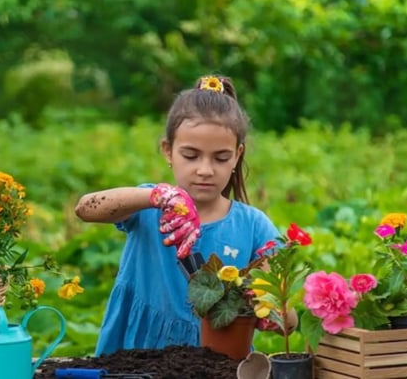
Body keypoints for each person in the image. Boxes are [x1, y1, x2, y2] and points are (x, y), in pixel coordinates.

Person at [75, 75, 280, 356]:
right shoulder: (148, 208)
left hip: (218, 360)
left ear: (237, 156)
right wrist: (155, 196)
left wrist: (271, 312)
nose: (205, 170)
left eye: (220, 158)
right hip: (135, 354)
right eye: (191, 156)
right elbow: (86, 208)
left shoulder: (253, 226)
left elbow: (285, 317)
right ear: (168, 151)